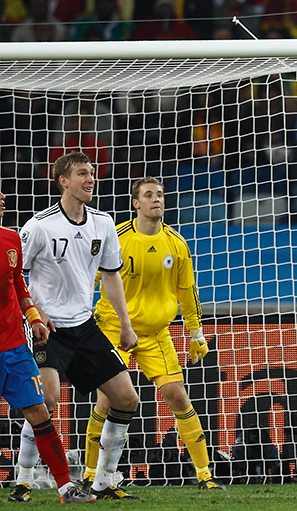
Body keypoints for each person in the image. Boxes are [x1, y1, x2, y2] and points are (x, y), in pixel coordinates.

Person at [11, 152, 141, 500]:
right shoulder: (39, 226)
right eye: (82, 173)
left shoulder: (104, 223)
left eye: (93, 173)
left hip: (85, 326)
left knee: (127, 399)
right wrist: (34, 314)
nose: (90, 179)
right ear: (63, 181)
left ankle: (104, 481)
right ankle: (22, 479)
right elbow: (15, 277)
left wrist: (126, 326)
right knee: (47, 399)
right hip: (47, 329)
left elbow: (111, 277)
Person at [81, 177, 224, 490]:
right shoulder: (116, 237)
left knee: (178, 396)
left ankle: (205, 476)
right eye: (148, 195)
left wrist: (196, 332)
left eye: (159, 194)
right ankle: (92, 474)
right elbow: (87, 278)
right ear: (136, 204)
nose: (156, 199)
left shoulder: (176, 244)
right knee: (107, 401)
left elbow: (186, 291)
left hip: (157, 333)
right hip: (113, 329)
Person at [0, 190, 94, 504]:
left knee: (40, 411)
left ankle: (66, 487)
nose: (2, 197)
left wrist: (33, 316)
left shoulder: (11, 240)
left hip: (14, 346)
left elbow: (17, 283)